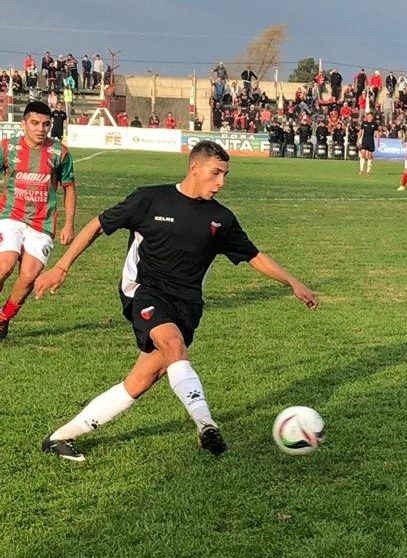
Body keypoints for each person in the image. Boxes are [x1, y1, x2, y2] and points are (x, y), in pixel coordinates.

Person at [32, 141, 318, 461]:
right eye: (216, 173)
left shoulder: (221, 219)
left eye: (225, 174)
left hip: (188, 305)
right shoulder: (151, 199)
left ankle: (61, 437)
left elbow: (254, 256)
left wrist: (291, 280)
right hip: (145, 291)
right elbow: (99, 224)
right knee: (173, 344)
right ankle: (206, 424)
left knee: (141, 379)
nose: (221, 181)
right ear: (194, 168)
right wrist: (61, 266)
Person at [0, 102, 76, 340]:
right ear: (24, 124)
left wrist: (69, 224)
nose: (41, 129)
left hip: (42, 223)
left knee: (29, 276)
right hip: (10, 215)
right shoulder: (7, 148)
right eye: (35, 123)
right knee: (5, 265)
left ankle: (3, 319)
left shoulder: (60, 153)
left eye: (45, 124)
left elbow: (69, 188)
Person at [357, 111, 378, 175]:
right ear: (367, 117)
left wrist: (379, 141)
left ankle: (368, 171)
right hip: (364, 140)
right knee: (363, 154)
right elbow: (360, 132)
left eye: (371, 116)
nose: (369, 118)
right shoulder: (364, 123)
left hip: (371, 140)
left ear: (372, 117)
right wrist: (358, 140)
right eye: (368, 116)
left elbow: (377, 133)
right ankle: (361, 170)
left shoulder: (375, 124)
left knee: (369, 156)